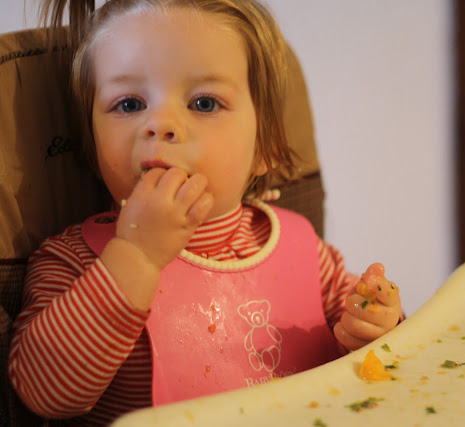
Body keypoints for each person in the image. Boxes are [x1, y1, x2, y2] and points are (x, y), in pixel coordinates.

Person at [9, 0, 403, 424]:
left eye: (204, 103)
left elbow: (377, 363)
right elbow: (45, 394)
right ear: (92, 141)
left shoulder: (307, 255)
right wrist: (136, 256)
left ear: (266, 145)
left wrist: (374, 326)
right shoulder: (74, 262)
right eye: (129, 104)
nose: (160, 124)